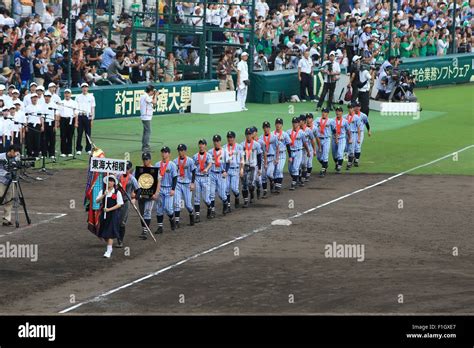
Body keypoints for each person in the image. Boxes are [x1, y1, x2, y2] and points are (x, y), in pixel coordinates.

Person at [95, 175, 124, 258]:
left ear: (114, 182)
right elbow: (97, 201)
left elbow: (119, 204)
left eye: (111, 181)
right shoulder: (103, 191)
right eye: (109, 181)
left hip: (113, 215)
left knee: (110, 232)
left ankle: (108, 250)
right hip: (104, 215)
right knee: (104, 233)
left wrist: (109, 209)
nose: (110, 182)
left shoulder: (117, 192)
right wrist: (104, 195)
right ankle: (109, 246)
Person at [154, 146, 178, 234]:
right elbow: (154, 178)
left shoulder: (172, 165)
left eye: (165, 152)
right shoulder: (157, 164)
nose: (164, 154)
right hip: (160, 189)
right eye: (162, 152)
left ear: (169, 154)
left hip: (168, 189)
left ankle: (172, 219)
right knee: (159, 209)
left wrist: (173, 189)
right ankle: (160, 227)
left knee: (168, 208)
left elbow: (175, 177)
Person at [116, 161, 140, 248]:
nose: (125, 170)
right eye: (124, 168)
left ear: (129, 169)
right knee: (115, 220)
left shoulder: (132, 179)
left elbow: (138, 190)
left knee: (122, 222)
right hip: (117, 201)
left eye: (127, 168)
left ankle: (120, 240)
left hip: (125, 202)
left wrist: (135, 198)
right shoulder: (118, 176)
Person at [173, 144, 196, 228]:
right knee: (177, 202)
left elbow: (193, 172)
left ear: (185, 151)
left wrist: (192, 183)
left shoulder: (190, 160)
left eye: (182, 150)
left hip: (187, 184)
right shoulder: (175, 161)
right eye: (179, 150)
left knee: (188, 204)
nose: (180, 152)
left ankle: (191, 215)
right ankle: (177, 222)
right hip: (178, 184)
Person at [137, 152, 159, 239]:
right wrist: (135, 193)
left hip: (150, 196)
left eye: (146, 159)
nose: (145, 161)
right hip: (141, 196)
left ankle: (145, 231)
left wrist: (156, 193)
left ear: (150, 160)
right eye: (144, 159)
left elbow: (158, 182)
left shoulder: (154, 169)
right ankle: (144, 229)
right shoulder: (139, 169)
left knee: (147, 213)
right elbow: (135, 181)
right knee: (141, 214)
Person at [240, 127, 262, 207]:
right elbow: (240, 157)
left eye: (250, 134)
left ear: (252, 135)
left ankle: (252, 193)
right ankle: (246, 201)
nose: (248, 136)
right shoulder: (242, 145)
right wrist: (241, 169)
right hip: (245, 166)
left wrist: (259, 168)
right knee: (244, 184)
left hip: (253, 167)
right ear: (245, 135)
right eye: (247, 134)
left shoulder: (256, 144)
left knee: (251, 184)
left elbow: (259, 157)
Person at [286, 117, 310, 190]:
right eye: (293, 122)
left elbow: (305, 143)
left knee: (295, 168)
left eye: (296, 122)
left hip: (298, 152)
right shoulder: (288, 132)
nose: (294, 124)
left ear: (298, 123)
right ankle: (298, 178)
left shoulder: (302, 133)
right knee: (290, 169)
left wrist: (308, 151)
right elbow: (287, 143)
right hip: (291, 152)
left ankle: (293, 183)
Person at [0, 144, 21, 226]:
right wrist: (5, 173)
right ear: (11, 151)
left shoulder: (16, 157)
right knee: (0, 198)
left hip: (11, 181)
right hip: (1, 180)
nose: (17, 154)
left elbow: (18, 168)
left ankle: (6, 219)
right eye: (16, 152)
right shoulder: (1, 156)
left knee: (10, 199)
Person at [208, 134, 229, 217]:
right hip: (212, 174)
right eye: (215, 141)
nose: (216, 143)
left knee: (221, 194)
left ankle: (225, 203)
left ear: (220, 141)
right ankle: (212, 211)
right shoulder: (210, 152)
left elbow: (228, 163)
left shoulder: (224, 151)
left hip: (221, 174)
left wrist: (226, 171)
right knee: (211, 194)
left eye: (217, 141)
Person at [192, 139, 213, 222]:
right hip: (197, 177)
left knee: (206, 199)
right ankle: (197, 216)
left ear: (205, 145)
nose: (201, 146)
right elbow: (193, 168)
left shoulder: (208, 155)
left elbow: (210, 163)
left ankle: (209, 208)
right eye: (200, 144)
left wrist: (206, 169)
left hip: (205, 178)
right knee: (196, 197)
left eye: (203, 144)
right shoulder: (194, 156)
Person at [224, 131, 243, 210]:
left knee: (234, 188)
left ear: (234, 138)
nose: (230, 139)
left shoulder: (239, 147)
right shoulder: (224, 147)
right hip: (227, 170)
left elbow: (242, 158)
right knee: (227, 188)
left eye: (231, 137)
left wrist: (241, 169)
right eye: (228, 137)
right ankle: (228, 205)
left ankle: (237, 196)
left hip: (235, 169)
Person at [259, 121, 279, 198]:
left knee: (269, 174)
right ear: (263, 128)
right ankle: (264, 191)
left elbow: (277, 148)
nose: (266, 129)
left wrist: (277, 158)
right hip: (263, 159)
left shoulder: (274, 137)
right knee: (263, 177)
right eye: (265, 127)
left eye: (267, 127)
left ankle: (272, 181)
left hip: (271, 158)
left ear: (270, 128)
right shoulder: (261, 138)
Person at [75, 82, 96, 155]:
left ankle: (88, 149)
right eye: (83, 87)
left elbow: (92, 109)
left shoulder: (91, 97)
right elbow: (76, 108)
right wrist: (76, 119)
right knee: (79, 133)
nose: (84, 88)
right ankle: (78, 149)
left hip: (88, 117)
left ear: (87, 88)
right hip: (80, 116)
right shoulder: (78, 97)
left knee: (88, 134)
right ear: (81, 88)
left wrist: (92, 119)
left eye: (86, 87)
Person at [330, 107, 351, 173]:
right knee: (334, 154)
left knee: (340, 153)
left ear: (342, 112)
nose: (337, 112)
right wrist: (335, 138)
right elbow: (332, 130)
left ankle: (339, 167)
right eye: (337, 111)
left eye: (339, 111)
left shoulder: (345, 121)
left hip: (342, 138)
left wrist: (350, 138)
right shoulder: (332, 120)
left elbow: (348, 130)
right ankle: (337, 163)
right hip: (334, 139)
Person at [272, 118, 290, 193]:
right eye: (277, 123)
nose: (278, 125)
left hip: (282, 154)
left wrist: (290, 156)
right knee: (274, 171)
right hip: (273, 155)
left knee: (279, 169)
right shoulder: (272, 134)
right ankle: (275, 184)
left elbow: (288, 145)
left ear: (282, 125)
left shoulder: (285, 134)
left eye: (279, 124)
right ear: (275, 124)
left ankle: (278, 186)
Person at [59, 88, 78, 157]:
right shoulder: (61, 102)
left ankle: (69, 151)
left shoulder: (74, 103)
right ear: (64, 94)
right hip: (63, 120)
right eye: (66, 93)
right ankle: (63, 151)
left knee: (70, 136)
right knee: (63, 136)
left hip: (71, 120)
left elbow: (76, 113)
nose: (67, 94)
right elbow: (59, 113)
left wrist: (76, 122)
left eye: (68, 93)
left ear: (70, 94)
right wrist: (58, 122)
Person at [41, 91, 59, 161]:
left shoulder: (53, 105)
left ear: (50, 97)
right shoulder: (42, 105)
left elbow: (56, 115)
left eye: (48, 96)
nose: (47, 98)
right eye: (46, 96)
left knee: (52, 140)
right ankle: (44, 154)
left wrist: (55, 125)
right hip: (45, 123)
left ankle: (52, 154)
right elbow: (42, 116)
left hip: (52, 123)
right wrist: (42, 126)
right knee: (44, 139)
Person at [24, 93, 44, 158]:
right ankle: (29, 154)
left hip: (37, 125)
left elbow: (41, 117)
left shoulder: (40, 107)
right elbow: (26, 118)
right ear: (31, 99)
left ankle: (36, 154)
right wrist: (26, 126)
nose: (34, 99)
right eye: (33, 98)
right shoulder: (28, 107)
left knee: (37, 140)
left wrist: (42, 125)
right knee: (29, 141)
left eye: (36, 97)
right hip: (30, 125)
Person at [140, 85, 158, 153]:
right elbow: (154, 102)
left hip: (145, 116)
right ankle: (145, 147)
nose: (153, 92)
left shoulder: (144, 96)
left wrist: (154, 96)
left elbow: (153, 103)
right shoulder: (146, 96)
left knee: (145, 131)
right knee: (148, 132)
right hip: (146, 116)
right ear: (150, 91)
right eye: (153, 91)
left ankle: (144, 146)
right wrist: (156, 95)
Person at [353, 101, 371, 167]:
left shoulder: (363, 116)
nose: (357, 108)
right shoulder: (350, 115)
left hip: (360, 132)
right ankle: (347, 160)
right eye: (356, 106)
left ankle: (356, 160)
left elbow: (367, 123)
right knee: (348, 148)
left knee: (358, 147)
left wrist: (369, 131)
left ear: (360, 107)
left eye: (358, 106)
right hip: (352, 133)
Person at [344, 103, 361, 170]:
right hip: (345, 134)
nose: (350, 109)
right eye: (349, 108)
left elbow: (358, 128)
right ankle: (347, 160)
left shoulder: (357, 117)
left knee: (351, 148)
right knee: (345, 148)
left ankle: (349, 163)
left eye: (351, 108)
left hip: (353, 134)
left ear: (353, 108)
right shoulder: (345, 117)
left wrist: (359, 138)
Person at [315, 108, 331, 177]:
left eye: (325, 112)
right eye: (323, 112)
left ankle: (323, 170)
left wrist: (336, 138)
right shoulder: (317, 120)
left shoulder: (331, 121)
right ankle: (325, 164)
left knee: (325, 154)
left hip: (326, 139)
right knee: (318, 157)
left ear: (328, 113)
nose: (324, 113)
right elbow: (313, 127)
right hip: (318, 139)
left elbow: (334, 129)